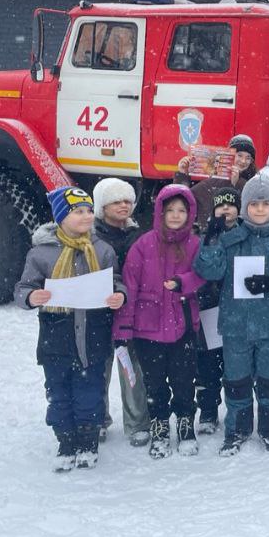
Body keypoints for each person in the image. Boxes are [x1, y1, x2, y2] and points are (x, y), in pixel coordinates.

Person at [194, 174, 269, 456]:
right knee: (236, 381)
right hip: (236, 326)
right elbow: (209, 271)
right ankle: (238, 429)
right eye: (254, 204)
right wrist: (210, 239)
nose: (260, 209)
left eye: (265, 204)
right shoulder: (230, 240)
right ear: (245, 207)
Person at [15, 187, 126, 472]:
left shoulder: (102, 249)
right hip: (57, 337)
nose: (87, 216)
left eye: (89, 210)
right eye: (79, 211)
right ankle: (65, 440)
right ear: (62, 217)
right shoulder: (42, 253)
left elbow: (116, 280)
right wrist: (31, 297)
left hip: (93, 336)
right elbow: (24, 286)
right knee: (58, 391)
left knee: (90, 389)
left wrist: (118, 295)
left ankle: (88, 440)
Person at [115, 185, 206, 459]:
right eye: (170, 210)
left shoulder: (194, 244)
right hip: (148, 328)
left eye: (181, 210)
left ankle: (186, 423)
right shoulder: (143, 245)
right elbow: (129, 288)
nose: (176, 215)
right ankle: (159, 425)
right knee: (154, 383)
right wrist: (123, 329)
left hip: (183, 326)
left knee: (184, 381)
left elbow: (203, 275)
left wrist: (183, 283)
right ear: (160, 212)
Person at [90, 177, 149, 447]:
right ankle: (97, 417)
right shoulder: (90, 237)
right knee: (97, 367)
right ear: (103, 206)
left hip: (132, 311)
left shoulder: (137, 234)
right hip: (98, 311)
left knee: (132, 368)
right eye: (116, 201)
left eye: (127, 200)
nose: (124, 206)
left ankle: (137, 422)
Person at [194, 186, 240, 434]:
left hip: (238, 309)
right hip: (210, 308)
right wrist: (211, 238)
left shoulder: (245, 234)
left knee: (235, 365)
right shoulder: (205, 235)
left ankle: (236, 411)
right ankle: (208, 412)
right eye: (221, 205)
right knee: (208, 366)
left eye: (231, 204)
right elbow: (202, 268)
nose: (225, 209)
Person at [176, 133, 258, 229]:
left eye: (248, 158)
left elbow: (252, 214)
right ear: (229, 156)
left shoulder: (255, 183)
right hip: (210, 238)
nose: (243, 161)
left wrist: (236, 184)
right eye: (239, 155)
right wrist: (182, 174)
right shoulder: (211, 183)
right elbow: (183, 203)